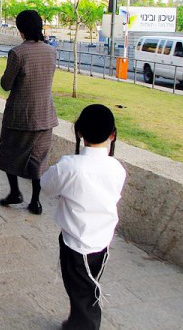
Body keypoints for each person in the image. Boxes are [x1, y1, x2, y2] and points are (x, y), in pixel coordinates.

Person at [41, 104, 126, 330]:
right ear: (113, 134)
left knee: (82, 291)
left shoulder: (69, 166)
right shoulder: (117, 168)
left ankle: (83, 325)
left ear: (78, 132)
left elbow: (47, 187)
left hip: (75, 241)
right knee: (86, 285)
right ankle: (77, 321)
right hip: (103, 241)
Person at [0, 10, 58, 215]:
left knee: (9, 152)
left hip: (19, 116)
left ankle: (15, 193)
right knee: (38, 158)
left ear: (21, 30)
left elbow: (6, 84)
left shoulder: (17, 53)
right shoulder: (51, 51)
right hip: (45, 114)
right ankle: (35, 201)